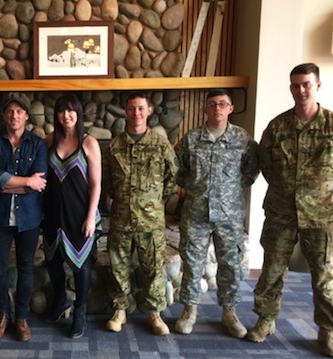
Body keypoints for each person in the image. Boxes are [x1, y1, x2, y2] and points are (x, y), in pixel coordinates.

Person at [247, 63, 333, 357]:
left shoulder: (332, 125)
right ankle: (266, 320)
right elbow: (266, 166)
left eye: (306, 84)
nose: (300, 90)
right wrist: (289, 191)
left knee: (324, 275)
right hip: (281, 212)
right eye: (295, 85)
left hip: (322, 215)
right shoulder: (277, 127)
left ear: (318, 85)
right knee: (272, 270)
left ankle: (328, 329)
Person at [174, 89, 259, 338]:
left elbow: (251, 170)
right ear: (205, 109)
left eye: (223, 104)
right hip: (196, 212)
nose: (217, 109)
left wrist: (230, 192)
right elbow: (179, 171)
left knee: (231, 264)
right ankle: (189, 310)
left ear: (230, 108)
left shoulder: (242, 139)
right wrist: (197, 189)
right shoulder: (191, 139)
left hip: (229, 214)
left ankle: (229, 313)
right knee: (192, 263)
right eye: (212, 104)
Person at [103, 91, 178, 335]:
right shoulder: (114, 146)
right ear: (126, 112)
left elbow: (171, 178)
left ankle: (154, 314)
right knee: (118, 268)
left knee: (153, 269)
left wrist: (153, 201)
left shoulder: (160, 144)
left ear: (148, 111)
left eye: (140, 108)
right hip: (121, 219)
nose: (136, 113)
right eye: (132, 108)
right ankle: (119, 311)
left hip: (151, 222)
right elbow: (107, 183)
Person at [0, 92, 47, 341]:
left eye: (19, 111)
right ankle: (2, 316)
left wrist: (4, 187)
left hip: (29, 218)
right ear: (4, 115)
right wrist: (24, 181)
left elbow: (38, 184)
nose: (14, 115)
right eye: (10, 111)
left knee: (25, 269)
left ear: (27, 116)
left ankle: (21, 318)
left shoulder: (38, 144)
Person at [42, 94, 101, 339]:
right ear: (56, 115)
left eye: (71, 111)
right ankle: (60, 301)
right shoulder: (48, 140)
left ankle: (80, 312)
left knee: (81, 266)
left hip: (80, 214)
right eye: (61, 111)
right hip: (53, 213)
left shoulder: (89, 143)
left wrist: (90, 217)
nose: (66, 115)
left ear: (78, 114)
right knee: (53, 262)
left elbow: (96, 184)